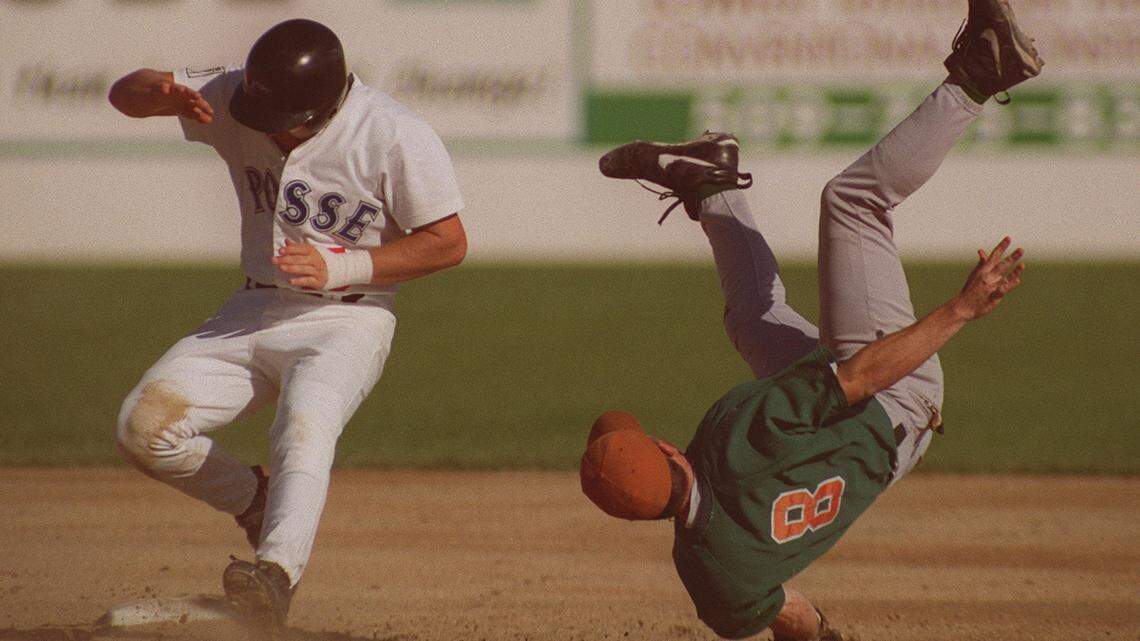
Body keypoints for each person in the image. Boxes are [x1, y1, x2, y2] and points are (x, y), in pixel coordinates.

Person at [578, 1, 1041, 639]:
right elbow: (859, 377)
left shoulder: (711, 579)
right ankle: (981, 73)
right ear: (662, 448)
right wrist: (959, 310)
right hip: (891, 391)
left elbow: (789, 612)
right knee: (852, 201)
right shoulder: (731, 437)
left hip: (862, 435)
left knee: (753, 318)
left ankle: (713, 186)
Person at [108, 18, 466, 636]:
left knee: (304, 430)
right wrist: (155, 93)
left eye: (282, 116)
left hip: (346, 318)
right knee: (142, 428)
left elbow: (448, 243)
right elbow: (127, 94)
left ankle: (272, 575)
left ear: (325, 107)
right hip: (250, 309)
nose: (264, 124)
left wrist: (345, 265)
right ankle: (255, 500)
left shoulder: (393, 133)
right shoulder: (237, 94)